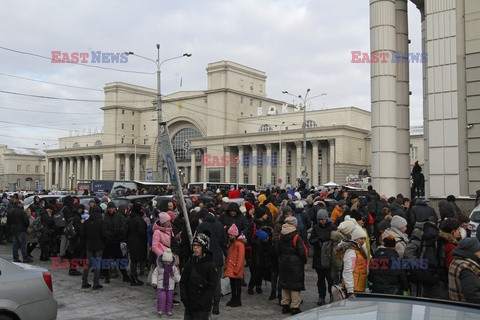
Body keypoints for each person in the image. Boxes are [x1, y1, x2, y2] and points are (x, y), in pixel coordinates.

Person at [180, 233, 217, 320]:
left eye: (198, 246)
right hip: (189, 304)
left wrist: (200, 304)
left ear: (204, 247)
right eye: (194, 246)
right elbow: (183, 281)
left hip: (202, 308)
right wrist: (184, 298)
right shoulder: (191, 262)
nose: (195, 248)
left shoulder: (210, 266)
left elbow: (211, 288)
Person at [277, 216, 308, 315]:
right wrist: (303, 261)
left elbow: (277, 250)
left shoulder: (281, 235)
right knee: (295, 285)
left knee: (285, 284)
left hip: (283, 262)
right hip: (295, 264)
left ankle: (285, 305)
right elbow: (302, 252)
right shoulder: (296, 236)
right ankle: (295, 307)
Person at [309, 209, 334, 306]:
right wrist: (317, 240)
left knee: (330, 279)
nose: (321, 221)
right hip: (318, 256)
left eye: (323, 219)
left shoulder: (332, 227)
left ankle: (332, 296)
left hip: (328, 257)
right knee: (320, 279)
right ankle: (321, 296)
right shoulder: (315, 228)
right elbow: (311, 240)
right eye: (319, 220)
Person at [336, 227, 368, 297]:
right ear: (354, 239)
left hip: (358, 287)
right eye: (361, 238)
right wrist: (350, 290)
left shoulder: (358, 250)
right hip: (353, 289)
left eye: (364, 239)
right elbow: (348, 271)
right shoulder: (351, 251)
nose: (363, 241)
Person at [81, 208, 107, 290]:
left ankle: (84, 282)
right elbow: (104, 234)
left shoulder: (87, 222)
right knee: (97, 264)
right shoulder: (101, 222)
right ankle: (96, 283)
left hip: (89, 245)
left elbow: (83, 234)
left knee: (87, 264)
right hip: (99, 245)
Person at [448, 237, 480, 303]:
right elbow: (473, 296)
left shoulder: (457, 260)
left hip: (459, 308)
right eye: (479, 251)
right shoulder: (467, 268)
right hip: (468, 310)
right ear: (472, 252)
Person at [152, 248, 181, 317]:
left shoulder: (173, 268)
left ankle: (169, 310)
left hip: (170, 286)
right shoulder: (159, 267)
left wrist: (179, 280)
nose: (166, 263)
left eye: (168, 261)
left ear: (171, 261)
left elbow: (176, 275)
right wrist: (154, 282)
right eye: (165, 261)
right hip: (161, 285)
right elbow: (154, 274)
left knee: (170, 299)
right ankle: (160, 310)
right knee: (161, 298)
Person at [223, 224, 245, 307]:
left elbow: (240, 258)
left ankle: (237, 299)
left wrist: (236, 269)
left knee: (237, 285)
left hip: (235, 268)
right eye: (229, 234)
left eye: (231, 234)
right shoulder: (232, 244)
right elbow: (229, 257)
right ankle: (233, 298)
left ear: (235, 235)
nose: (229, 236)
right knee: (233, 284)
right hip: (232, 268)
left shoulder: (239, 244)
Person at [126, 203, 148, 286]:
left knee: (133, 260)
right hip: (139, 243)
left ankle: (133, 277)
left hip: (131, 242)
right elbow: (142, 233)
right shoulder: (139, 220)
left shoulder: (130, 219)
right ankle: (134, 278)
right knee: (136, 261)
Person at [7, 194, 31, 262]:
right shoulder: (22, 212)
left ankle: (15, 258)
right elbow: (26, 221)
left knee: (15, 245)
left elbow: (8, 222)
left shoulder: (11, 212)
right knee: (23, 244)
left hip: (14, 229)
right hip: (21, 230)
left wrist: (8, 230)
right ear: (19, 205)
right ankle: (25, 257)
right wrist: (25, 227)